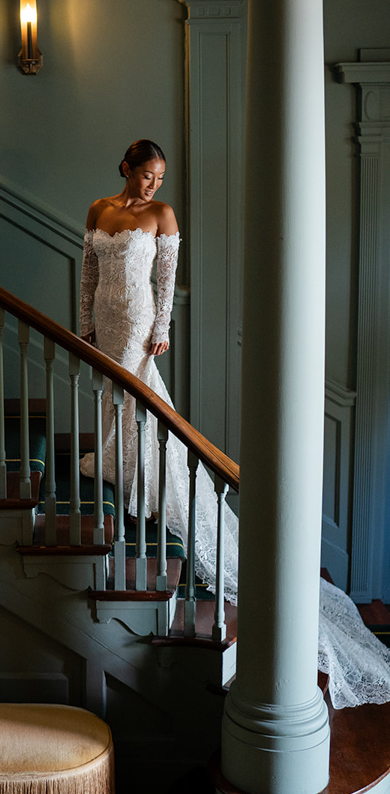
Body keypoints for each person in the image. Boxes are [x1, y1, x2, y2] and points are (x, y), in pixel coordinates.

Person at [78, 139, 390, 709]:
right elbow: (90, 270)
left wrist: (163, 327)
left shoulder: (162, 216)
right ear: (126, 168)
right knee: (112, 395)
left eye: (160, 177)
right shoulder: (99, 209)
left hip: (141, 322)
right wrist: (83, 324)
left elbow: (167, 278)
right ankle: (123, 460)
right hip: (105, 316)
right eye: (147, 175)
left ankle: (147, 475)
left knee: (139, 396)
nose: (154, 185)